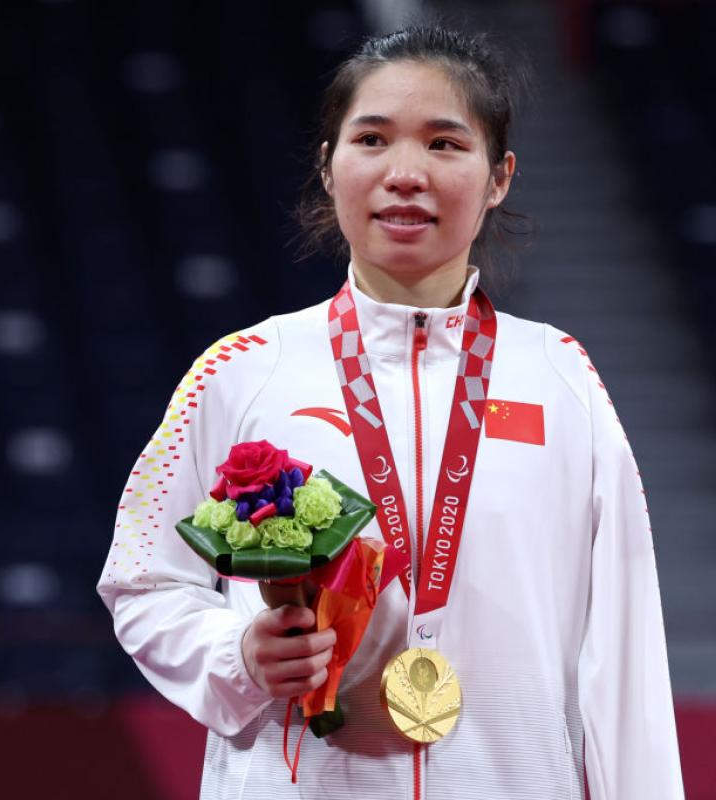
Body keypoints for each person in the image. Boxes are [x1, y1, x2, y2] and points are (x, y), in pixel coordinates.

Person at [97, 25, 684, 800]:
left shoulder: (560, 376)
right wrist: (236, 653)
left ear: (500, 176)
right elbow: (142, 583)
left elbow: (625, 643)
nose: (405, 174)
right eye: (372, 139)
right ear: (329, 165)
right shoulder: (241, 371)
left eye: (445, 145)